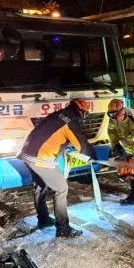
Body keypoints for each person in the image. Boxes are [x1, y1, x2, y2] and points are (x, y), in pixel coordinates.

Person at [19, 98, 94, 239]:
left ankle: (43, 220)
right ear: (81, 112)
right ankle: (63, 229)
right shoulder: (70, 121)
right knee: (61, 189)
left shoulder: (58, 115)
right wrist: (93, 156)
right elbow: (81, 145)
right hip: (41, 157)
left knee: (40, 187)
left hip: (26, 153)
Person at [107, 99, 134, 216]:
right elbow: (111, 132)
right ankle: (133, 196)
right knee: (130, 174)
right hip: (127, 148)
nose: (116, 119)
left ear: (123, 111)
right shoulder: (113, 117)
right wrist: (116, 145)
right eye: (113, 116)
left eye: (117, 116)